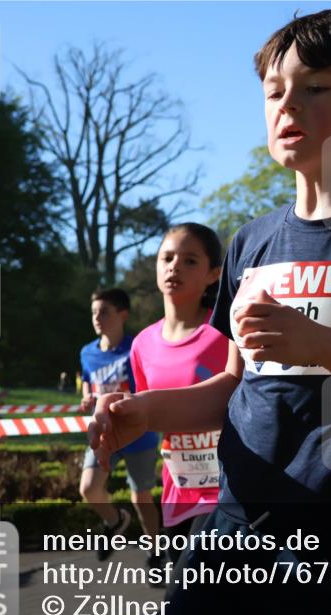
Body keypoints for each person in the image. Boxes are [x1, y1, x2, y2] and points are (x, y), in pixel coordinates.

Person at [89, 9, 331, 615]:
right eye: (274, 91)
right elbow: (233, 385)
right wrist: (145, 412)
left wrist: (318, 343)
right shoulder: (251, 242)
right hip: (237, 529)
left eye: (316, 88)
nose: (289, 105)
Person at [129, 223, 228, 594]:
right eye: (167, 258)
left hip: (226, 492)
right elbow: (146, 415)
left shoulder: (226, 334)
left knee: (187, 602)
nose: (174, 267)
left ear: (213, 274)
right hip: (177, 491)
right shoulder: (142, 344)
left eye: (189, 261)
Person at [79, 288, 161, 565]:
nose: (97, 318)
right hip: (104, 432)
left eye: (104, 312)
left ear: (123, 315)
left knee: (141, 498)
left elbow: (151, 384)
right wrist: (87, 397)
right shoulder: (87, 352)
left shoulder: (137, 347)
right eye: (94, 312)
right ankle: (115, 521)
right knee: (88, 488)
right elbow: (88, 383)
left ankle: (155, 553)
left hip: (139, 433)